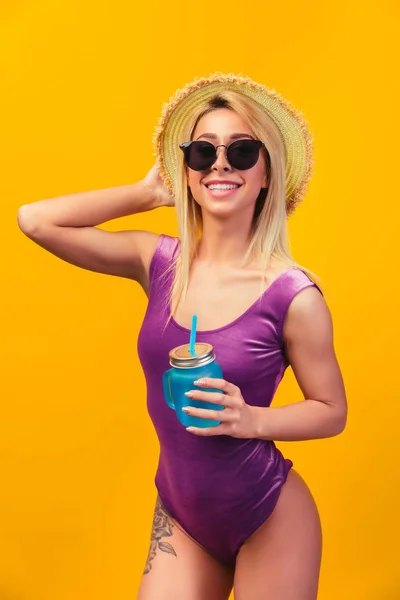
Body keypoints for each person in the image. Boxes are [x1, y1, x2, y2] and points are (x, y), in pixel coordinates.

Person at [17, 73, 348, 600]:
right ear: (186, 169)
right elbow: (35, 221)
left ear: (268, 174)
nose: (219, 163)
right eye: (201, 151)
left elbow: (332, 409)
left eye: (241, 151)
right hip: (181, 513)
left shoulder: (294, 295)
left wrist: (252, 419)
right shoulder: (158, 263)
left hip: (269, 517)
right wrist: (148, 191)